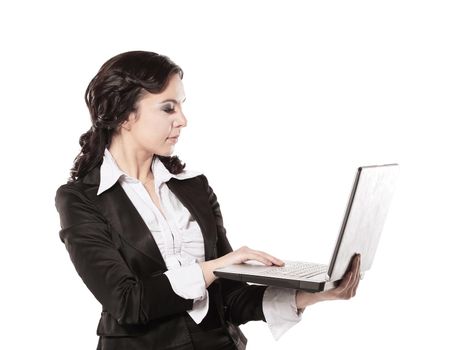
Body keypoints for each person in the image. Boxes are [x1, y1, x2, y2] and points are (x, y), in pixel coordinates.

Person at [54, 50, 361, 350]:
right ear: (124, 114)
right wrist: (216, 266)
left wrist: (316, 294)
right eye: (168, 108)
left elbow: (231, 298)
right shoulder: (81, 200)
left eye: (181, 106)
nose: (183, 120)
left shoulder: (194, 188)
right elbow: (127, 302)